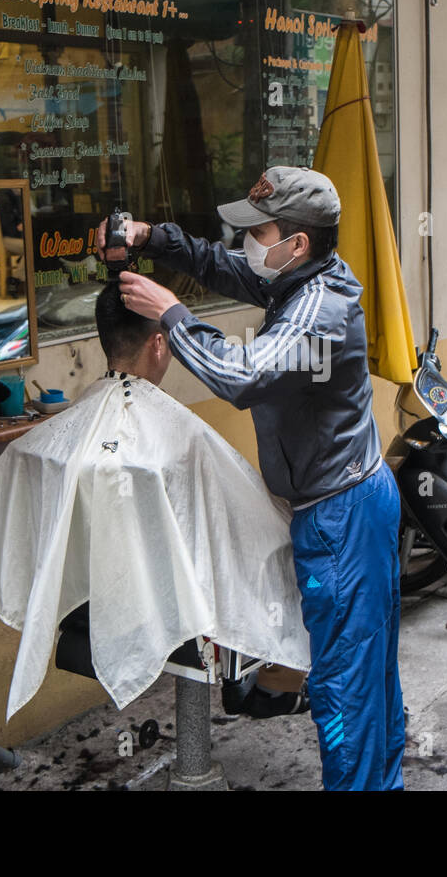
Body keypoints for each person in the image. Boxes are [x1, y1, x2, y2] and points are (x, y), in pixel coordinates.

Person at [98, 165, 405, 791]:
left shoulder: (317, 310)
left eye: (257, 233)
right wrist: (152, 237)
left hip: (343, 516)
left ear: (295, 242)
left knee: (346, 688)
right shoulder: (296, 280)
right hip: (344, 503)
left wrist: (173, 314)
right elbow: (222, 265)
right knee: (366, 676)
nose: (247, 245)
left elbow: (241, 377)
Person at [0, 281, 311, 718]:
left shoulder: (48, 440)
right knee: (290, 547)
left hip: (86, 607)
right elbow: (243, 521)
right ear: (158, 344)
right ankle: (276, 685)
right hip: (165, 607)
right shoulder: (178, 438)